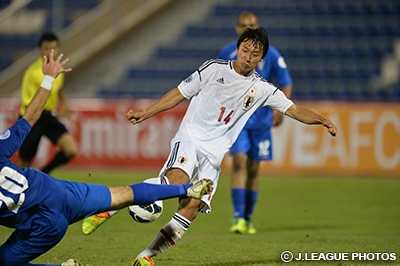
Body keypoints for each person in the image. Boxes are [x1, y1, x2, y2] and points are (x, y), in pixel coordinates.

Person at [83, 27, 336, 266]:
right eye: (245, 50)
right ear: (238, 49)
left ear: (262, 59)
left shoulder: (262, 89)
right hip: (190, 139)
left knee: (191, 208)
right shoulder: (214, 69)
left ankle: (147, 256)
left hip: (213, 156)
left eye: (255, 54)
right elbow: (180, 92)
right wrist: (146, 113)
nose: (248, 57)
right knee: (173, 182)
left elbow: (294, 110)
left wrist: (322, 119)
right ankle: (109, 209)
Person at [0, 49, 213, 266]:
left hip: (44, 226)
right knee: (124, 194)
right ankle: (186, 189)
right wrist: (48, 78)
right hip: (60, 192)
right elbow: (31, 116)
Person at [218, 11, 293, 234]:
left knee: (253, 168)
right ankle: (238, 218)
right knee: (239, 162)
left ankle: (248, 218)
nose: (248, 30)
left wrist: (282, 107)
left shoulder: (270, 54)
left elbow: (286, 82)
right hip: (238, 121)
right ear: (237, 29)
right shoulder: (227, 52)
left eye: (252, 26)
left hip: (260, 122)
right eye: (244, 26)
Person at [18, 31, 77, 174]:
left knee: (71, 149)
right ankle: (14, 190)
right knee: (25, 163)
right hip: (32, 118)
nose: (51, 52)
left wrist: (65, 107)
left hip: (49, 117)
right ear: (39, 50)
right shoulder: (32, 72)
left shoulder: (58, 69)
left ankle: (44, 175)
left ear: (59, 49)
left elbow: (59, 90)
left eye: (54, 48)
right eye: (46, 48)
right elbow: (28, 103)